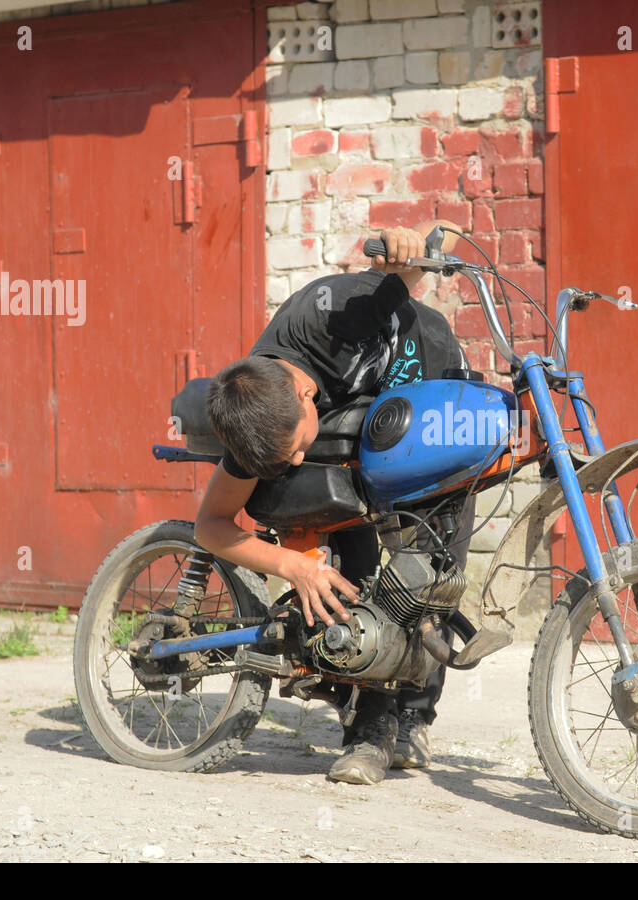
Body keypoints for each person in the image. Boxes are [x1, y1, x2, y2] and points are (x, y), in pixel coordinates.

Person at [193, 221, 475, 785]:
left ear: (303, 394)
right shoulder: (260, 421)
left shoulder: (335, 316)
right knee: (355, 567)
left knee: (439, 559)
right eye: (282, 459)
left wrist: (407, 245)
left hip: (433, 383)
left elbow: (403, 271)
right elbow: (211, 524)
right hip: (356, 433)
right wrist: (292, 565)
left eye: (294, 447)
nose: (293, 462)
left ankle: (413, 718)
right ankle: (368, 728)